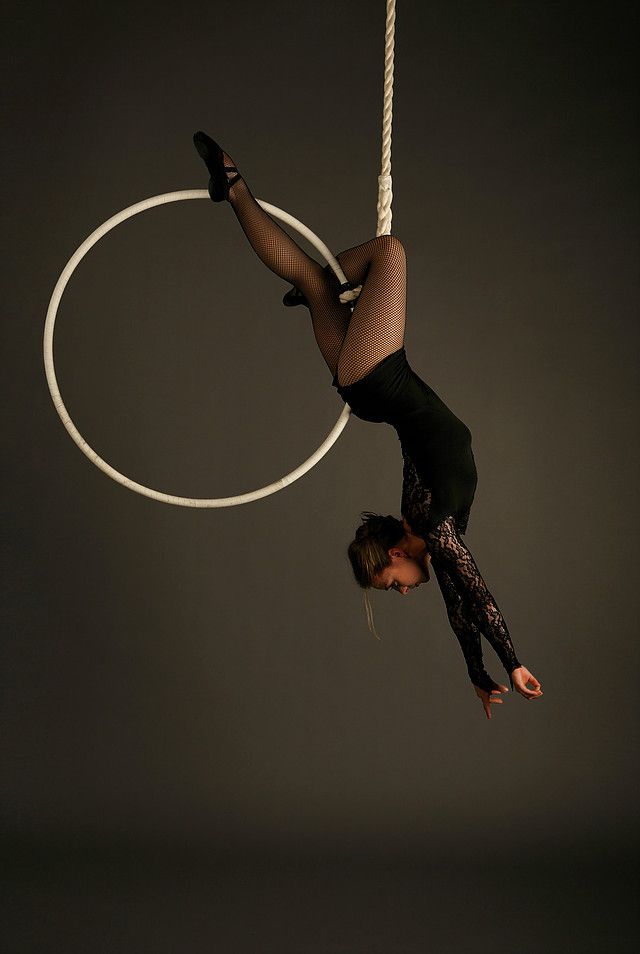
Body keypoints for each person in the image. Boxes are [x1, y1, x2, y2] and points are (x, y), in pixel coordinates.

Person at [192, 131, 543, 719]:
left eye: (391, 582)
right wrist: (478, 672)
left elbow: (478, 594)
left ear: (393, 551)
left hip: (377, 371)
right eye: (398, 587)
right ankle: (234, 187)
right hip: (360, 383)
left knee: (391, 252)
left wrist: (511, 661)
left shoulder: (430, 522)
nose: (404, 590)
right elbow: (459, 605)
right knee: (308, 279)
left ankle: (331, 285)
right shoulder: (427, 518)